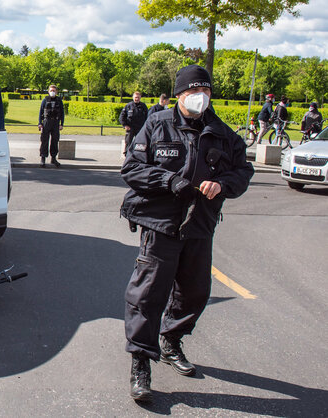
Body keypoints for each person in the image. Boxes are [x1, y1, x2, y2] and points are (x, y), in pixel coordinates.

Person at [120, 65, 254, 403]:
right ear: (179, 94)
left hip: (200, 224)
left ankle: (171, 340)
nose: (201, 97)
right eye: (194, 91)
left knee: (195, 291)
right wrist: (169, 181)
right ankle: (140, 362)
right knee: (148, 294)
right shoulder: (157, 122)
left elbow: (244, 170)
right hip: (161, 223)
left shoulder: (222, 133)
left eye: (207, 91)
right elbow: (132, 168)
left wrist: (223, 184)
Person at [37, 85, 65, 168]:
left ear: (56, 92)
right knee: (44, 140)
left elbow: (62, 113)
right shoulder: (45, 100)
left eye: (54, 90)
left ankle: (53, 158)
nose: (52, 92)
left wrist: (61, 124)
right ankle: (43, 158)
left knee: (55, 141)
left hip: (56, 122)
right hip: (46, 122)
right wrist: (40, 123)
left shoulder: (59, 101)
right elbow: (41, 111)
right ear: (48, 91)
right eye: (51, 90)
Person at [119, 91, 148, 155]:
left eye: (138, 97)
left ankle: (139, 154)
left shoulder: (143, 106)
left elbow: (147, 117)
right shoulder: (128, 106)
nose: (137, 99)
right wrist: (125, 125)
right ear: (133, 97)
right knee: (128, 142)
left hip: (140, 128)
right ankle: (127, 154)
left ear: (140, 98)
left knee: (140, 142)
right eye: (135, 97)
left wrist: (145, 127)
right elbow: (122, 116)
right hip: (130, 127)